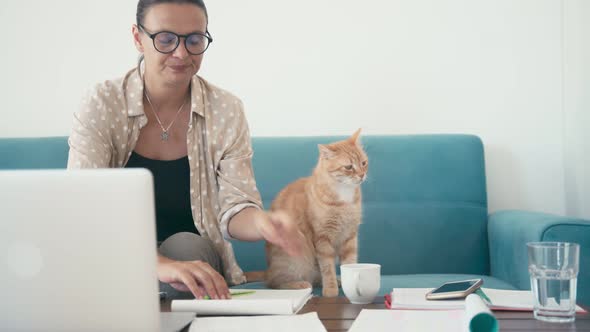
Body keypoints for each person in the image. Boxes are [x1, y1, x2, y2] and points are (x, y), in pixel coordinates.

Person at [67, 0, 303, 300]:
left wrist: (262, 222)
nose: (181, 53)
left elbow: (236, 208)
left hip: (194, 260)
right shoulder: (101, 103)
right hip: (115, 255)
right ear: (138, 38)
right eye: (165, 39)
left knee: (185, 249)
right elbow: (85, 207)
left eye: (194, 40)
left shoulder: (226, 110)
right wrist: (156, 265)